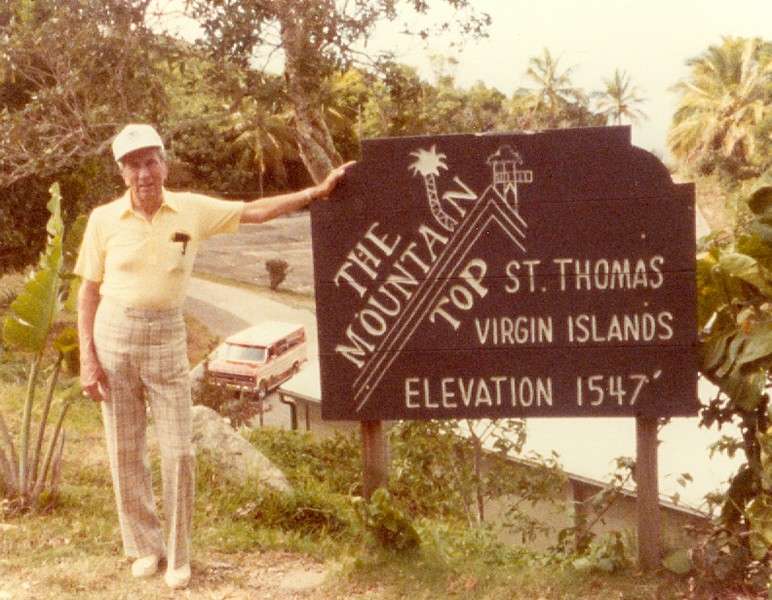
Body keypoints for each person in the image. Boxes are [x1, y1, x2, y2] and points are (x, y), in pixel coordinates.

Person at [74, 123, 351, 589]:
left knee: (179, 451)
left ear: (164, 164)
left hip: (167, 336)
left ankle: (178, 555)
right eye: (134, 165)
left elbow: (255, 211)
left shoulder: (192, 209)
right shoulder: (103, 220)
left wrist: (315, 192)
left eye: (151, 162)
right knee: (124, 450)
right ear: (122, 173)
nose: (144, 173)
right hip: (114, 334)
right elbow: (87, 292)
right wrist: (88, 358)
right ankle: (145, 547)